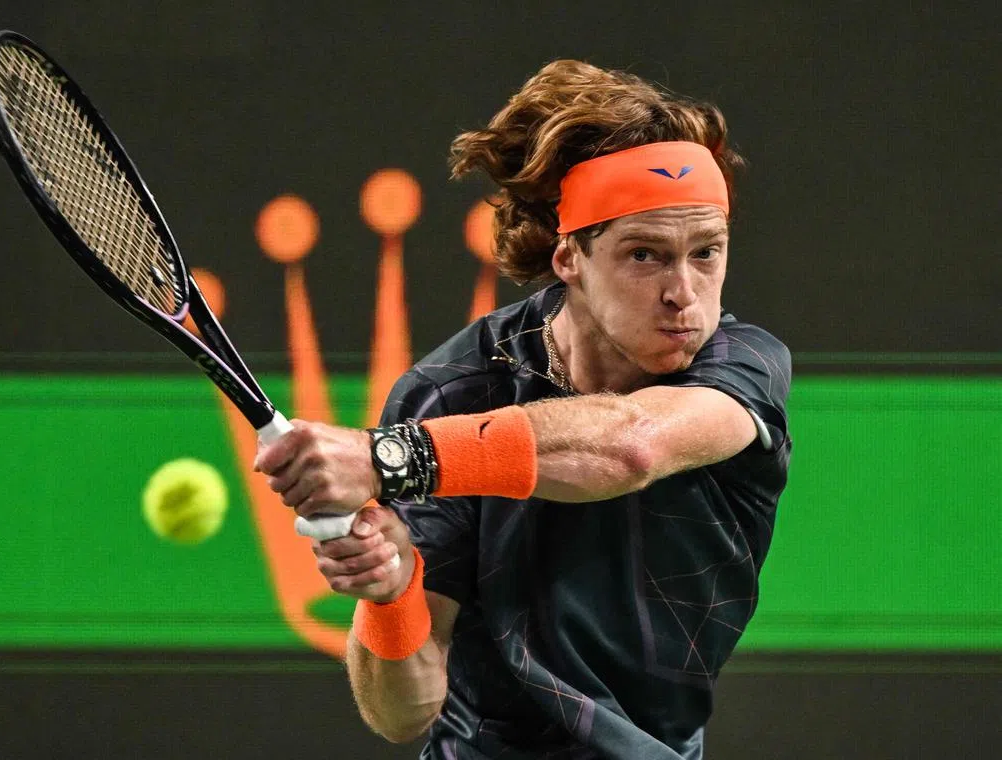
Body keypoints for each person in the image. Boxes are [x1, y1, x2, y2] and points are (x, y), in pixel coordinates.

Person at [254, 59, 792, 760]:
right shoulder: (454, 390)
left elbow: (632, 446)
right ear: (569, 258)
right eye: (645, 255)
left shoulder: (742, 364)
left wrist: (387, 457)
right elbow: (403, 712)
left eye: (706, 253)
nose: (683, 293)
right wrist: (391, 595)